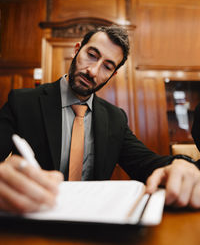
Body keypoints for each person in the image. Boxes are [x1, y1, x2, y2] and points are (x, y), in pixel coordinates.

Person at [0, 25, 200, 214]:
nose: (93, 71)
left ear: (113, 74)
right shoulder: (22, 102)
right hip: (33, 217)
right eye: (91, 55)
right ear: (77, 50)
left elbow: (145, 163)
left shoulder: (115, 119)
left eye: (107, 66)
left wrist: (183, 164)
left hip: (93, 223)